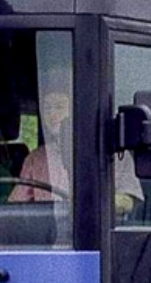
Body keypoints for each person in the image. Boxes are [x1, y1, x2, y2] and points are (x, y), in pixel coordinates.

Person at [10, 78, 142, 216]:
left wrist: (89, 203)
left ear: (76, 110)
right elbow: (17, 206)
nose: (52, 114)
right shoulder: (36, 158)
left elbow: (128, 201)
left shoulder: (112, 152)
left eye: (59, 107)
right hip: (46, 228)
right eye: (47, 108)